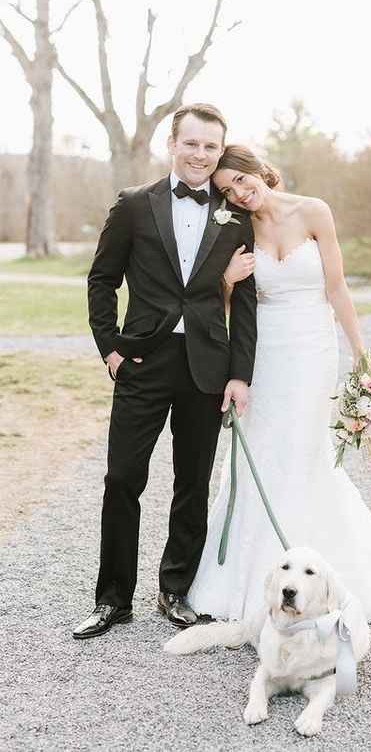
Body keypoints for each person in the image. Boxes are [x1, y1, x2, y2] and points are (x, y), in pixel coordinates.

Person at [187, 145, 371, 624]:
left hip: (312, 350)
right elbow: (230, 309)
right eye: (228, 190)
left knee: (307, 451)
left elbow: (336, 287)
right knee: (264, 448)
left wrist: (361, 355)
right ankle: (249, 579)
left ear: (260, 170)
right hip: (264, 352)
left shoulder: (313, 211)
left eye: (243, 181)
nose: (240, 194)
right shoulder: (236, 230)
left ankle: (319, 575)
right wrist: (225, 281)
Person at [73, 107, 257, 639]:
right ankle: (112, 599)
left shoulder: (235, 218)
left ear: (220, 152)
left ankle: (175, 590)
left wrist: (239, 374)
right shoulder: (134, 205)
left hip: (206, 368)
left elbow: (244, 305)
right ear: (172, 143)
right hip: (142, 362)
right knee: (122, 478)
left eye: (211, 148)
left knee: (192, 484)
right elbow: (102, 279)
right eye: (192, 144)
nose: (201, 156)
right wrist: (109, 346)